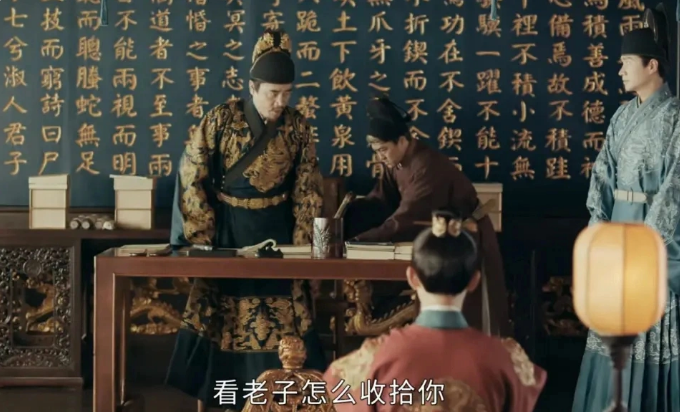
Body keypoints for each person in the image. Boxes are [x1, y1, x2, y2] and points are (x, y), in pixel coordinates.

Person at [165, 29, 327, 411]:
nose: (280, 102)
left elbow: (308, 188)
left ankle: (284, 401)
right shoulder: (221, 119)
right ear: (252, 88)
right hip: (230, 233)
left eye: (287, 93)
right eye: (273, 93)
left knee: (284, 316)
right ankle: (228, 400)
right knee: (228, 319)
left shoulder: (298, 126)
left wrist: (305, 247)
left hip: (279, 235)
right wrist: (201, 238)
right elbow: (191, 173)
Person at [323, 209, 547, 412]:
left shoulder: (377, 358)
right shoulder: (504, 360)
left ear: (412, 277)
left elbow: (336, 386)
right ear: (474, 281)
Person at [573, 5, 680, 411]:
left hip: (649, 241)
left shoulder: (675, 119)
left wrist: (649, 247)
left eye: (626, 63)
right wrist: (599, 228)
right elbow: (603, 174)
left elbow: (674, 189)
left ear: (652, 65)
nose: (619, 71)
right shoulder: (621, 116)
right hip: (616, 233)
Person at [343, 96, 510, 337]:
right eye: (376, 151)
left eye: (383, 150)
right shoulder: (397, 163)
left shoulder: (426, 166)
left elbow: (406, 218)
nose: (380, 157)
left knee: (471, 319)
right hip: (443, 244)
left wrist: (358, 242)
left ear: (402, 141)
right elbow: (380, 200)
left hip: (465, 240)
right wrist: (345, 217)